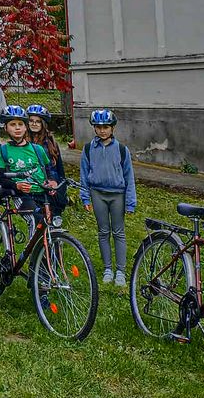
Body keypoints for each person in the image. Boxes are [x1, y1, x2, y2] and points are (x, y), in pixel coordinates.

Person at [78, 108, 137, 289]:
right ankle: (108, 269)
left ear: (112, 128)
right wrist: (85, 197)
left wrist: (130, 201)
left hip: (117, 194)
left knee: (118, 232)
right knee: (103, 232)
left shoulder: (121, 149)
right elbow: (84, 174)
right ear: (94, 128)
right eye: (99, 127)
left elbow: (129, 176)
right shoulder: (88, 149)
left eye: (106, 127)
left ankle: (120, 271)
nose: (102, 130)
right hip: (98, 194)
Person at [0, 105, 59, 228]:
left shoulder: (37, 149)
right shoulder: (2, 151)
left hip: (42, 192)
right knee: (35, 220)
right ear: (6, 128)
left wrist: (52, 181)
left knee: (51, 224)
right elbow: (2, 178)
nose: (17, 128)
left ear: (25, 127)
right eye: (13, 125)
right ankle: (33, 247)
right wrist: (16, 185)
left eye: (20, 124)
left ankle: (50, 247)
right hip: (22, 195)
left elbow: (48, 170)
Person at [26, 104, 67, 222]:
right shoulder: (24, 143)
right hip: (33, 185)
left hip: (52, 184)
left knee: (53, 219)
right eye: (31, 121)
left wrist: (60, 184)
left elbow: (59, 168)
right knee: (37, 220)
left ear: (43, 124)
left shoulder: (50, 142)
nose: (34, 124)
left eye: (38, 121)